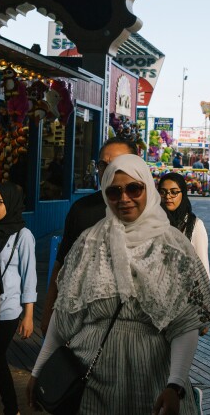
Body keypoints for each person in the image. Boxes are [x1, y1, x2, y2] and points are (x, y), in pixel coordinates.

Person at [27, 154, 210, 414]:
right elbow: (63, 318)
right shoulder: (90, 242)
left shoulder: (173, 246)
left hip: (153, 386)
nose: (124, 198)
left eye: (133, 188)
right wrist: (38, 370)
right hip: (91, 383)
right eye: (114, 191)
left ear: (148, 189)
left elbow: (185, 325)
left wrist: (175, 385)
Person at [41, 137, 137, 333]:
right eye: (103, 164)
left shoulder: (156, 213)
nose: (109, 170)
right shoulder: (82, 210)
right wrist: (48, 314)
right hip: (85, 324)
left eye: (117, 164)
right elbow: (62, 265)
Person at [0, 182, 37, 415]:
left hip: (8, 308)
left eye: (0, 202)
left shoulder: (23, 236)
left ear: (11, 204)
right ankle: (11, 408)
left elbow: (29, 276)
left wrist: (29, 315)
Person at [159, 173, 210, 276]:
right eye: (163, 192)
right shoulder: (154, 223)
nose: (168, 196)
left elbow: (203, 271)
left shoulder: (195, 226)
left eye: (174, 192)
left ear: (183, 194)